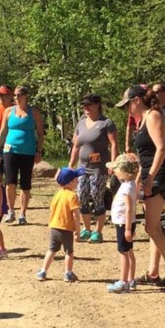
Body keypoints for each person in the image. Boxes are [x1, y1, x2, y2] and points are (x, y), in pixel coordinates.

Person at [120, 85, 165, 287]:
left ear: (136, 100)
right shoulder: (143, 120)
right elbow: (146, 155)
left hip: (158, 177)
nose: (126, 110)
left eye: (127, 105)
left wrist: (149, 178)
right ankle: (153, 272)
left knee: (151, 228)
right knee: (153, 226)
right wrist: (139, 176)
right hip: (149, 175)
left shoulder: (154, 116)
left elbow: (162, 148)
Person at [69, 94, 118, 243]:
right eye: (84, 105)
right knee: (82, 196)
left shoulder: (106, 123)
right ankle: (86, 228)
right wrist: (71, 164)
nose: (86, 108)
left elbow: (114, 144)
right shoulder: (81, 123)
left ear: (97, 105)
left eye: (89, 105)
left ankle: (98, 231)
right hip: (82, 167)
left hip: (99, 168)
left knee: (97, 195)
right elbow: (76, 145)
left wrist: (113, 164)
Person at [0, 85, 44, 225]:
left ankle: (23, 213)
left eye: (19, 95)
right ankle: (11, 211)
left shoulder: (34, 112)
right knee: (10, 182)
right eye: (15, 95)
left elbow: (40, 134)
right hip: (10, 150)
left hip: (28, 152)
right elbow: (2, 132)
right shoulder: (9, 111)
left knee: (25, 184)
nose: (16, 98)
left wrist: (38, 151)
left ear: (26, 96)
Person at [36, 166, 84, 282]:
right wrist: (78, 231)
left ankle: (42, 271)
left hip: (54, 227)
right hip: (66, 228)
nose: (77, 181)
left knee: (51, 250)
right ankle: (68, 273)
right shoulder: (72, 196)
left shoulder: (57, 194)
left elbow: (52, 209)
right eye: (76, 179)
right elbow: (75, 215)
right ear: (70, 182)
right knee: (69, 252)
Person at [106, 155, 139, 293]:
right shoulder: (130, 185)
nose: (114, 172)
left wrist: (127, 229)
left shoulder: (126, 188)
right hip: (127, 223)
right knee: (129, 251)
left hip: (123, 224)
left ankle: (123, 282)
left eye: (116, 169)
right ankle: (131, 279)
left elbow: (129, 208)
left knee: (123, 252)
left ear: (125, 171)